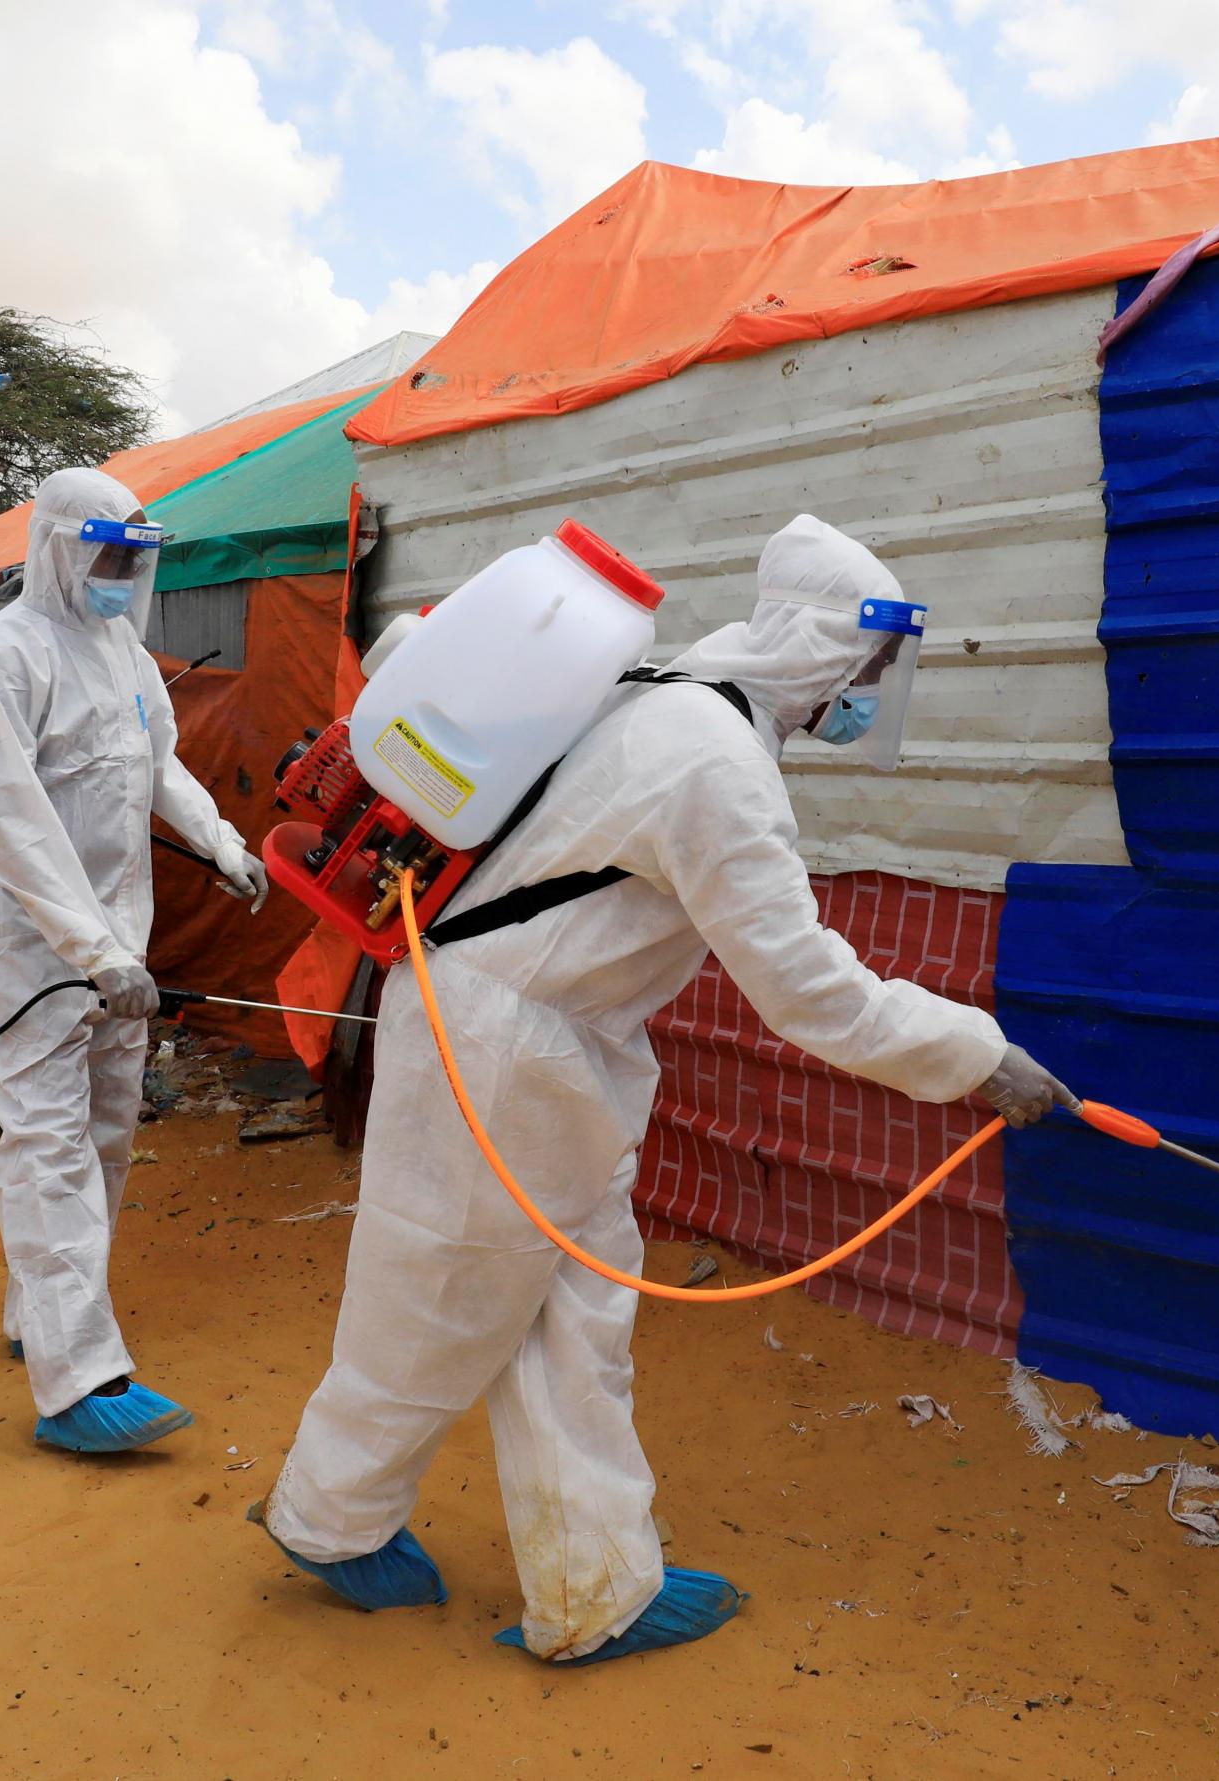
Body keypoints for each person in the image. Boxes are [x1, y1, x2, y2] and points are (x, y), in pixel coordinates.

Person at [257, 514, 1071, 1661]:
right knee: (442, 1294)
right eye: (871, 664)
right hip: (501, 1045)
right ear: (820, 646)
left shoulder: (669, 689)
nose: (872, 690)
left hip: (535, 1044)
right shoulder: (710, 760)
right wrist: (977, 1058)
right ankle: (330, 1519)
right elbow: (807, 990)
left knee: (567, 1307)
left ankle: (590, 1585)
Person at [0, 468, 269, 1455]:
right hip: (25, 940)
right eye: (109, 555)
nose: (123, 574)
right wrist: (91, 947)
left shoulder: (124, 653)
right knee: (46, 1140)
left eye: (135, 558)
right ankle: (76, 1381)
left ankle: (46, 1312)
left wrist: (220, 842)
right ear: (61, 548)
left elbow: (157, 766)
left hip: (120, 929)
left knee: (108, 1128)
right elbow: (10, 821)